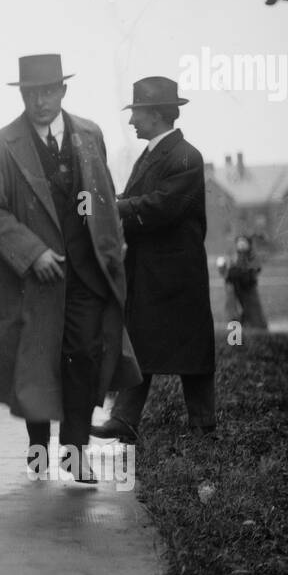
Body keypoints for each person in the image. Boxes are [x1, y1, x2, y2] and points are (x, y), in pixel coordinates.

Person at [0, 53, 140, 483]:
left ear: (63, 91)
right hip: (32, 280)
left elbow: (103, 195)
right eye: (32, 93)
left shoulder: (90, 134)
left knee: (84, 359)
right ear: (23, 95)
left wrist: (112, 248)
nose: (40, 101)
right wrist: (33, 253)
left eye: (48, 91)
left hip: (86, 274)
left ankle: (75, 455)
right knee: (37, 363)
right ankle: (37, 449)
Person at [90, 77, 216, 444]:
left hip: (178, 274)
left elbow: (162, 206)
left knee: (193, 351)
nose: (132, 122)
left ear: (158, 115)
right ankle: (124, 420)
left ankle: (204, 427)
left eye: (137, 113)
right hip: (152, 272)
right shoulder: (156, 154)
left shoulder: (186, 156)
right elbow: (139, 200)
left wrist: (113, 208)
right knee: (141, 344)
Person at [220, 235, 268, 330]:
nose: (241, 244)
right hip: (235, 289)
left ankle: (259, 331)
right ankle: (235, 337)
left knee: (254, 314)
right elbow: (226, 273)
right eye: (239, 242)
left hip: (249, 289)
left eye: (243, 241)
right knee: (234, 313)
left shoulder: (252, 257)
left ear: (248, 244)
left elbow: (254, 271)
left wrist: (238, 272)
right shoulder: (233, 256)